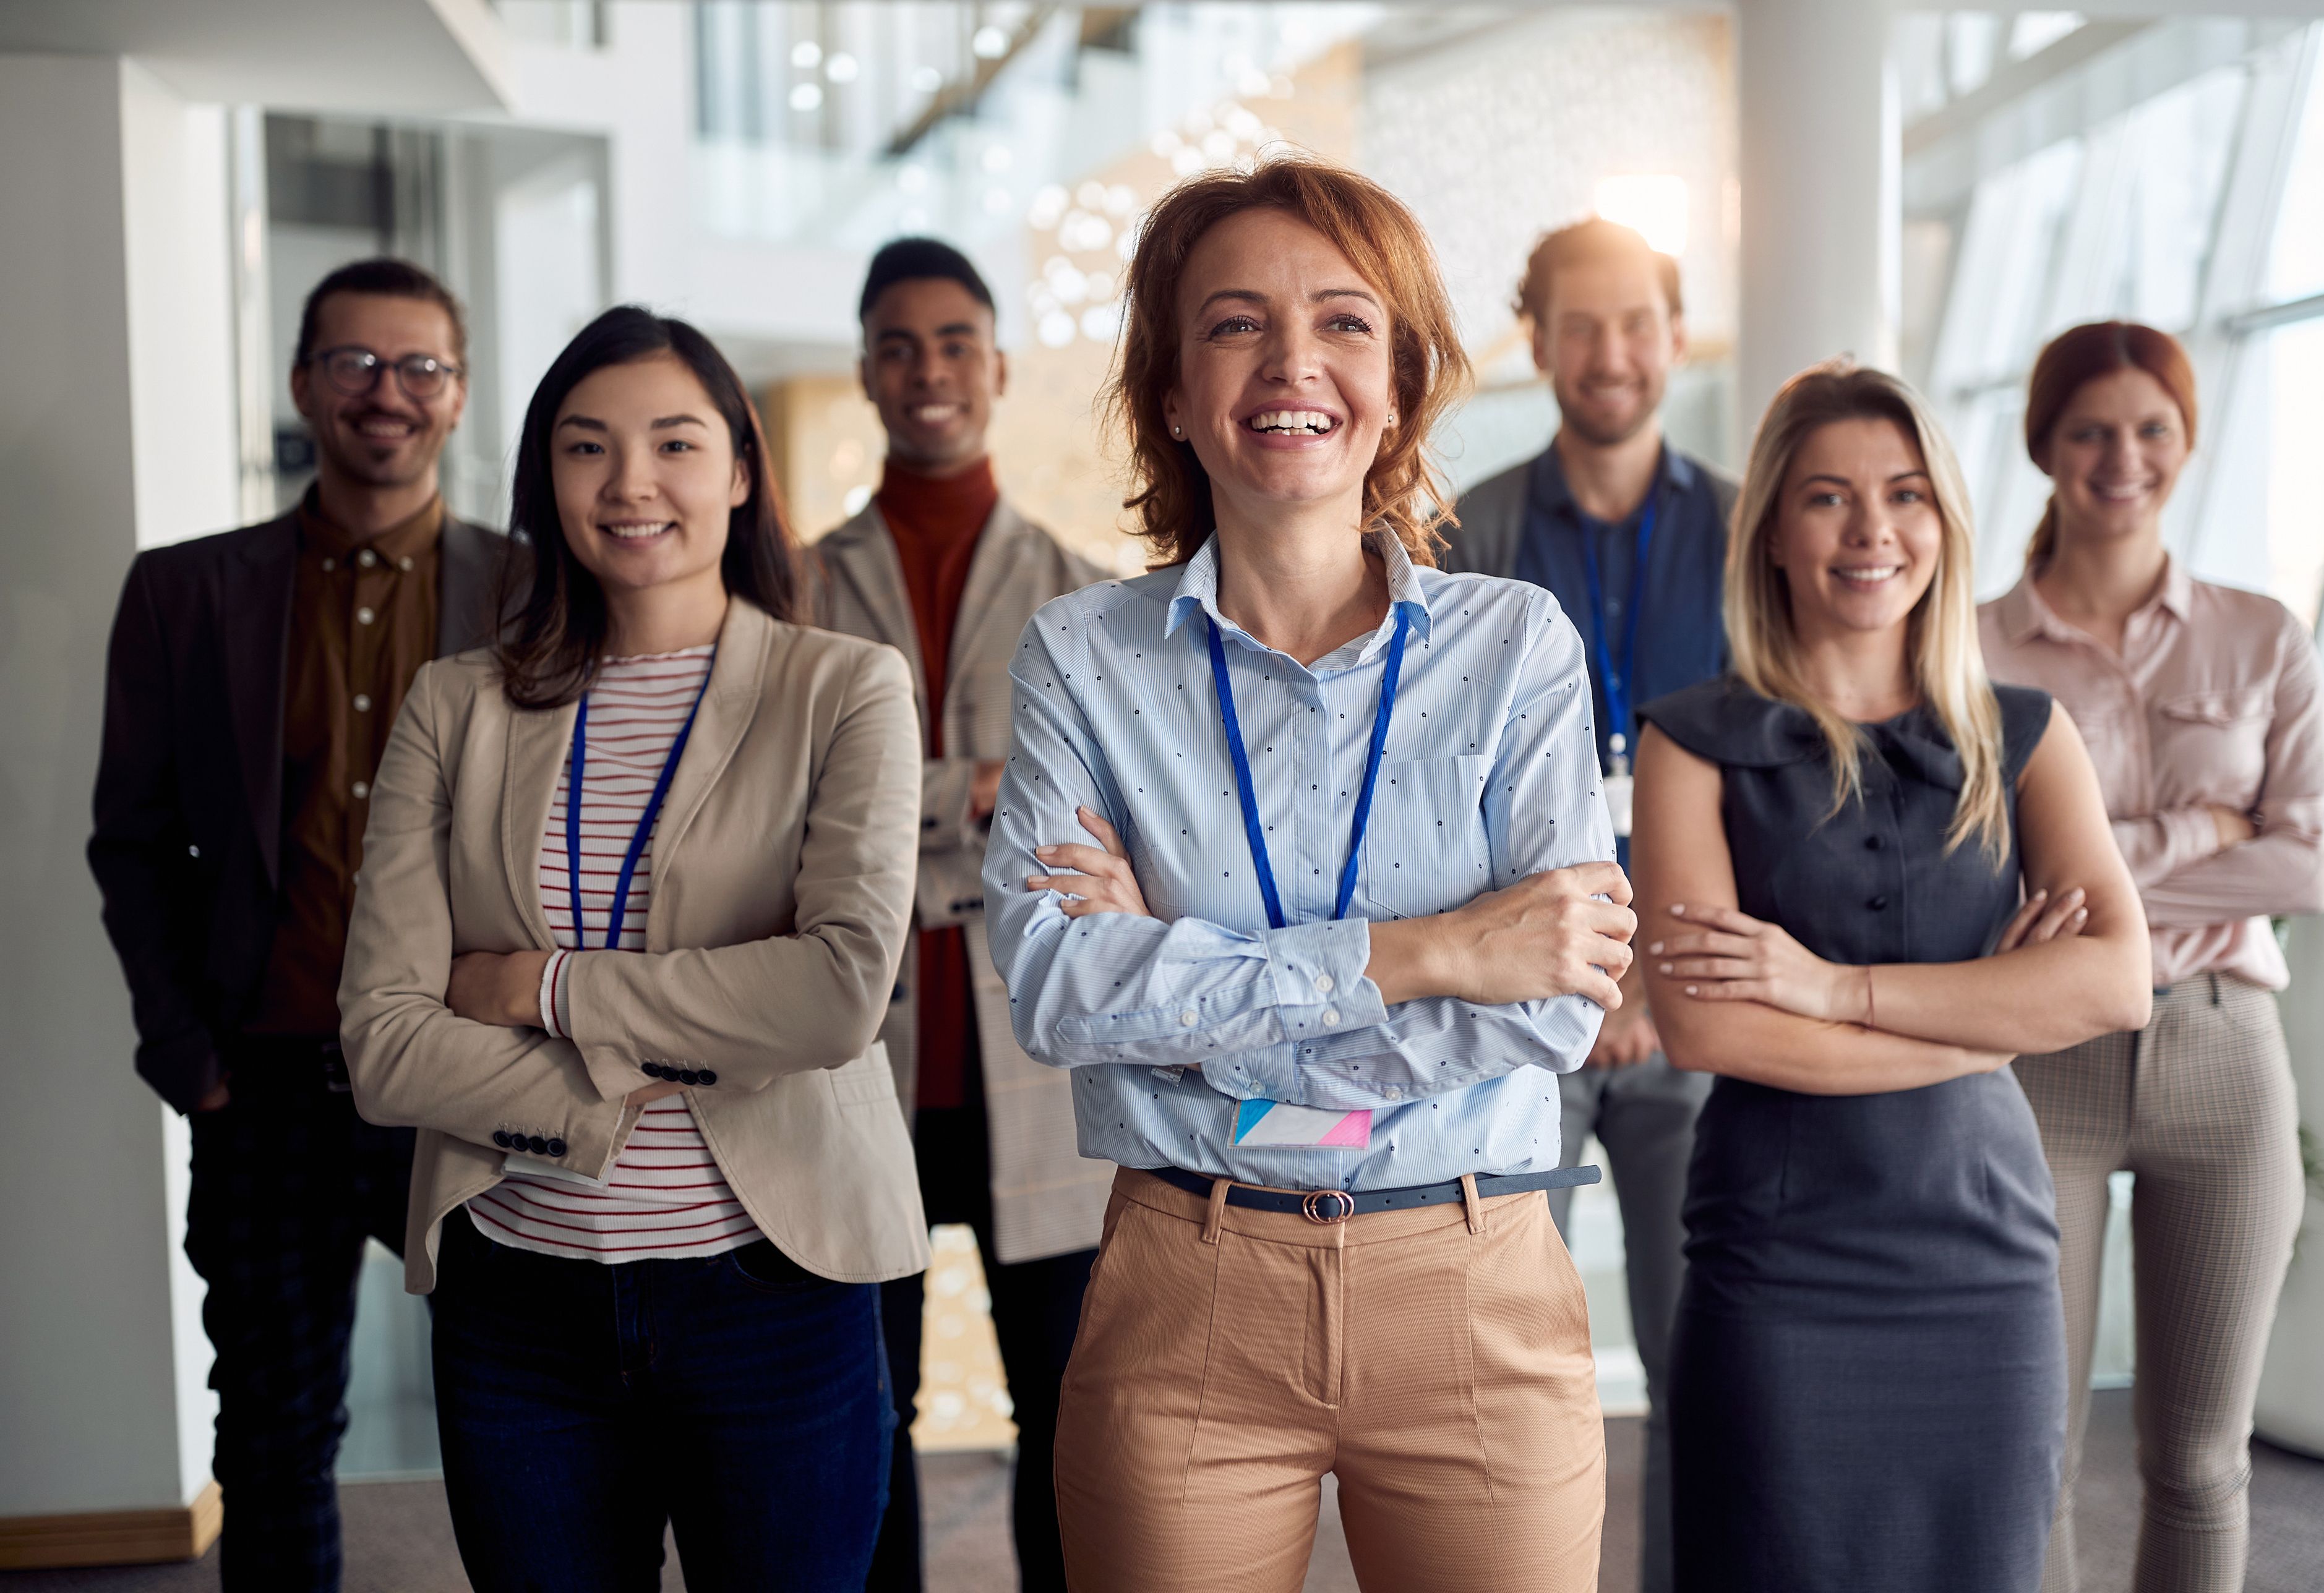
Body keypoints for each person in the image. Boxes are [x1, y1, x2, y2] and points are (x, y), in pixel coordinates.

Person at [983, 155, 1638, 1593]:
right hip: (1186, 1293)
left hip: (1472, 1274)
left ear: (1399, 384)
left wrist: (1189, 988)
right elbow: (1053, 990)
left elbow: (1556, 1010)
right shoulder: (1084, 659)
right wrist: (1434, 950)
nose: (1294, 364)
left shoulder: (1515, 645)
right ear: (1169, 387)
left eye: (1346, 323)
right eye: (1234, 324)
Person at [337, 305, 926, 1589]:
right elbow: (384, 1042)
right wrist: (615, 1086)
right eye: (586, 447)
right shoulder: (457, 705)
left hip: (777, 1287)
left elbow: (832, 998)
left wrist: (539, 989)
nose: (631, 483)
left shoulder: (845, 688)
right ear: (546, 478)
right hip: (519, 1300)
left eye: (674, 442)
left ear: (740, 468)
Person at [1631, 359, 2154, 1593]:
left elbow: (2118, 982)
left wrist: (1825, 988)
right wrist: (1995, 1013)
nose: (1874, 531)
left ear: (1947, 522)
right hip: (1779, 1268)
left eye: (1908, 493)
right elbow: (1707, 1029)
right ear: (1770, 529)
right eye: (1827, 498)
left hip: (1988, 1261)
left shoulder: (2028, 736)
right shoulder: (1689, 741)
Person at [88, 257, 503, 1591]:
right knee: (272, 1439)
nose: (388, 393)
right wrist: (186, 1053)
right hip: (263, 1082)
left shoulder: (533, 589)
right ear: (303, 386)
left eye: (419, 366)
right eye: (356, 364)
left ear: (458, 395)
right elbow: (133, 837)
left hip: (472, 1081)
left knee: (527, 1426)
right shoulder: (185, 594)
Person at [1979, 321, 2324, 1593]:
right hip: (2046, 1068)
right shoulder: (1973, 650)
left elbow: (2307, 866)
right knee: (2038, 1451)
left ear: (2185, 447)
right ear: (2044, 446)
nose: (2120, 457)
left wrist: (2095, 864)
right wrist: (2198, 830)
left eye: (2150, 430)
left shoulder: (2261, 637)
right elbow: (1987, 868)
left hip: (2225, 1053)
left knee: (2201, 1461)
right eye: (2089, 430)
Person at [813, 237, 1110, 1593]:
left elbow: (1096, 829)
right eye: (897, 344)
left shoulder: (1088, 592)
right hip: (855, 1060)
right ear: (868, 370)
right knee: (860, 1421)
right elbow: (800, 817)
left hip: (1037, 1065)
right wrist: (971, 799)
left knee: (1069, 1421)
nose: (927, 370)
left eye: (953, 343)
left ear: (994, 367)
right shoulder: (798, 589)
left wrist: (913, 819)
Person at [1440, 216, 1733, 1592]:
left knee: (1703, 1361)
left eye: (1637, 324)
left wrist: (1647, 983)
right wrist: (1575, 986)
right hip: (1515, 1011)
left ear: (1678, 338)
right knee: (1503, 1360)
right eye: (1579, 326)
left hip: (1695, 1002)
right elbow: (1437, 790)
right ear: (1536, 338)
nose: (1610, 355)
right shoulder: (1469, 531)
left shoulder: (1747, 533)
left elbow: (1774, 779)